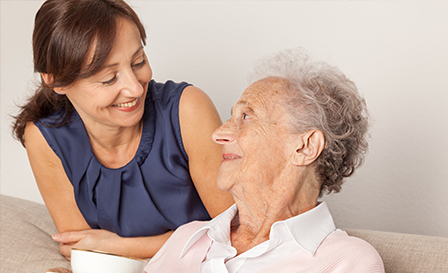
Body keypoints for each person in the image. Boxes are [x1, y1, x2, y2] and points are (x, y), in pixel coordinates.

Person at [12, 0, 233, 261]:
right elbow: (80, 248)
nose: (136, 89)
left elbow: (234, 232)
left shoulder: (188, 109)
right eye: (109, 78)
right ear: (56, 81)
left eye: (138, 61)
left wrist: (119, 245)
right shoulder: (46, 138)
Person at [143, 48, 385, 272]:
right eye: (232, 116)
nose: (218, 134)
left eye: (246, 116)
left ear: (305, 147)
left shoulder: (347, 261)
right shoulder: (188, 237)